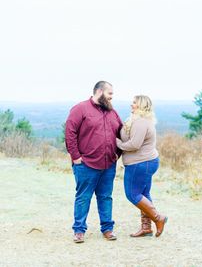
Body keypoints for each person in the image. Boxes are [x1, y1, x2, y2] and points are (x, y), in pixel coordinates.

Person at [65, 81, 122, 243]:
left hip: (108, 164)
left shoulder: (112, 112)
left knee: (105, 197)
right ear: (99, 91)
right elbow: (70, 133)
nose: (112, 96)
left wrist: (117, 153)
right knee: (83, 197)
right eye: (109, 93)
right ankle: (79, 230)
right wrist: (76, 157)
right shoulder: (80, 109)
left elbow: (121, 132)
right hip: (86, 164)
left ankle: (107, 229)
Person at [116, 95, 167, 238]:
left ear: (141, 105)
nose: (131, 104)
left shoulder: (141, 122)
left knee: (132, 194)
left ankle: (158, 218)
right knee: (144, 195)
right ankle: (146, 228)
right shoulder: (137, 120)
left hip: (140, 163)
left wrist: (117, 143)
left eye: (134, 103)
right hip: (146, 162)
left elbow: (134, 144)